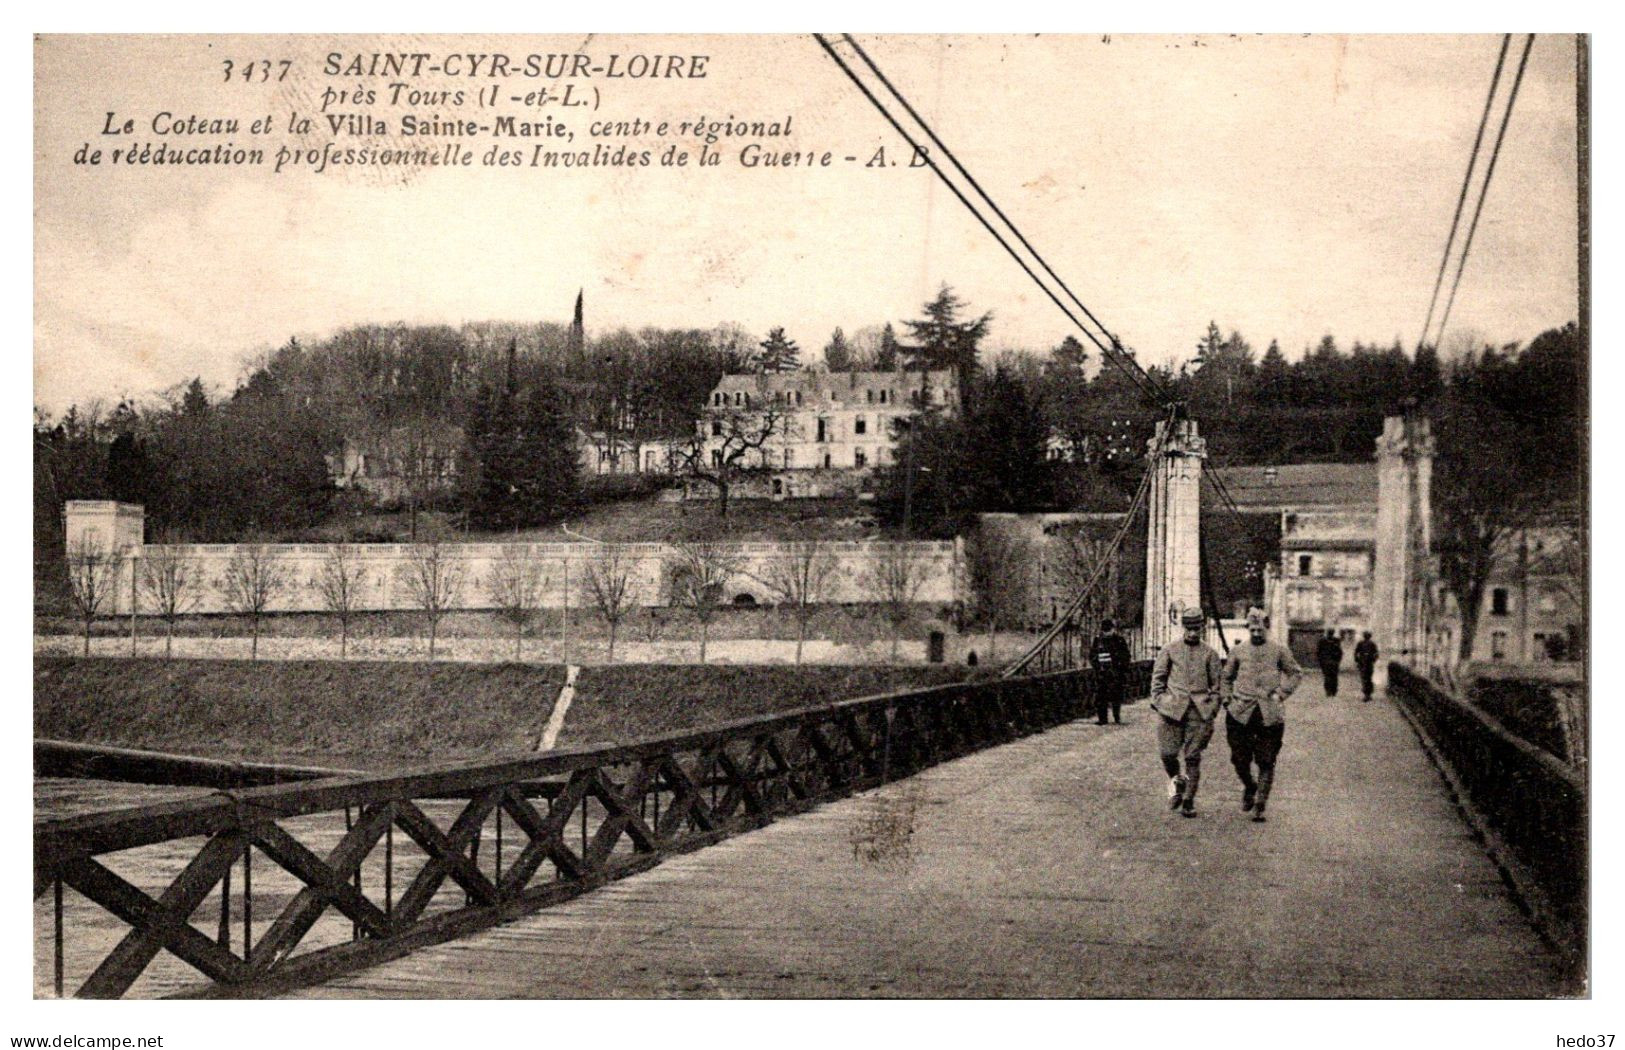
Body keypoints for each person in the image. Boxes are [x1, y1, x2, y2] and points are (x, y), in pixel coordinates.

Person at [1222, 609, 1303, 823]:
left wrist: (1282, 693)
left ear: (1267, 628)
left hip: (1269, 714)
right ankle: (1250, 786)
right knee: (1239, 759)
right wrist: (1227, 699)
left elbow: (1295, 673)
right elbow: (1226, 678)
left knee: (1267, 760)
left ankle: (1260, 804)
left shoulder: (1279, 651)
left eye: (1261, 628)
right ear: (1248, 628)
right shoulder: (1238, 651)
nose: (1257, 632)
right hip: (1240, 713)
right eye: (1253, 629)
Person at [1150, 608, 1224, 817]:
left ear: (1202, 627)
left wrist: (1211, 710)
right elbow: (1158, 680)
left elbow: (1218, 686)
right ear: (1184, 628)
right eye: (1189, 629)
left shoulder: (1210, 654)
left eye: (1196, 629)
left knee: (1192, 757)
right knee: (1168, 754)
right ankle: (1177, 781)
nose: (1193, 633)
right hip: (1171, 711)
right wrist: (1160, 702)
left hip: (1198, 713)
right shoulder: (1170, 650)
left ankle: (1189, 800)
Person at [1089, 618, 1133, 725]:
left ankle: (1116, 716)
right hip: (1102, 673)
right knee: (1101, 697)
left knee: (1116, 696)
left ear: (1113, 629)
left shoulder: (1119, 640)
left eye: (1108, 629)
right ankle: (1102, 719)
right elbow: (1092, 655)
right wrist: (1097, 667)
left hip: (1116, 673)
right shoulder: (1098, 640)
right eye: (1105, 630)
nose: (1107, 632)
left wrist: (1121, 669)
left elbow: (1126, 656)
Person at [1315, 629, 1343, 697]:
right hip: (1331, 662)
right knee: (1333, 677)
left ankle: (1329, 691)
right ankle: (1332, 691)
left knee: (1328, 677)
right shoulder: (1335, 640)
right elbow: (1340, 652)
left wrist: (1321, 661)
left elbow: (1318, 652)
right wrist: (1338, 660)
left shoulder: (1323, 640)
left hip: (1328, 662)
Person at [1353, 631, 1378, 701]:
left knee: (1366, 679)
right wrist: (1357, 660)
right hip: (1365, 664)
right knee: (1367, 679)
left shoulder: (1367, 644)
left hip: (1366, 664)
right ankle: (1367, 694)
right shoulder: (1368, 644)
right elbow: (1356, 652)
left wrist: (1357, 660)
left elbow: (1355, 653)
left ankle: (1367, 695)